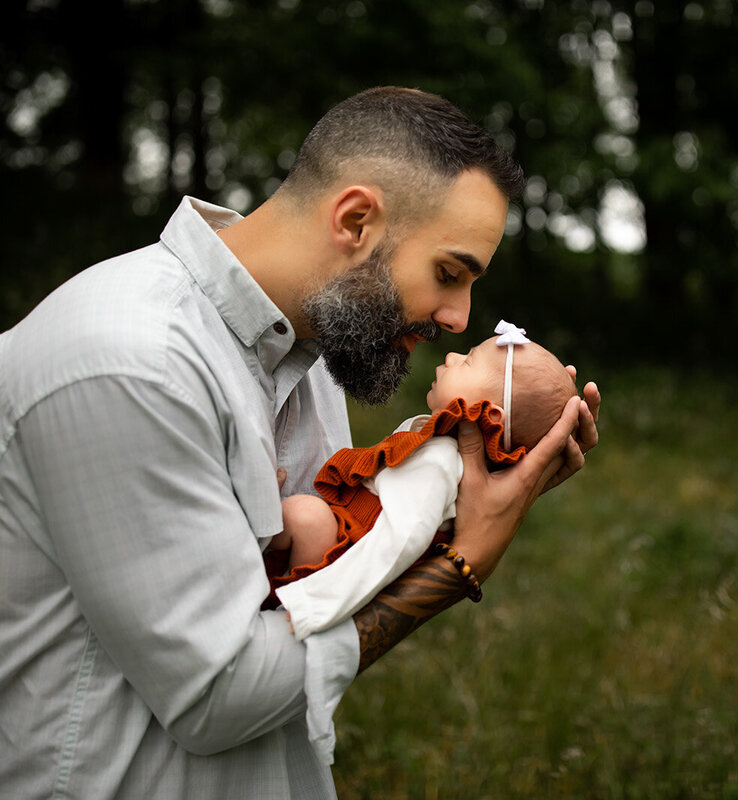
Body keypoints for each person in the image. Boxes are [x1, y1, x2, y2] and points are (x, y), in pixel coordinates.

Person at [0, 87, 600, 799]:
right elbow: (216, 700)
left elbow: (312, 598)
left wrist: (463, 488)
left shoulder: (308, 350)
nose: (458, 316)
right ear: (355, 220)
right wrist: (458, 563)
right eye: (449, 273)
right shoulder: (131, 362)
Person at [268, 321, 578, 644]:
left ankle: (281, 589)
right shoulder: (440, 447)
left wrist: (317, 604)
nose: (453, 356)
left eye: (468, 360)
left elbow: (400, 541)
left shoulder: (441, 462)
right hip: (346, 538)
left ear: (491, 414)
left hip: (345, 557)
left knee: (305, 517)